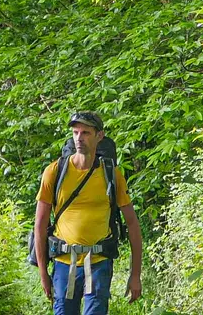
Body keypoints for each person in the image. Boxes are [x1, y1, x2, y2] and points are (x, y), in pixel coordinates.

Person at [34, 111, 144, 314]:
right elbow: (40, 225)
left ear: (99, 136)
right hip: (64, 262)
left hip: (99, 262)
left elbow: (132, 224)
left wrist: (135, 274)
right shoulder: (55, 171)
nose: (79, 138)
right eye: (75, 133)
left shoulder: (111, 174)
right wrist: (43, 274)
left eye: (85, 133)